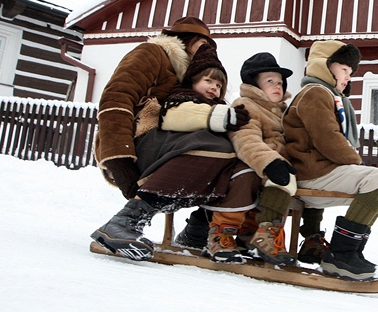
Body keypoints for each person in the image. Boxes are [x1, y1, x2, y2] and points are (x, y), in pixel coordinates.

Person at [91, 18, 260, 263]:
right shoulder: (152, 54)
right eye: (201, 44)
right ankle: (124, 222)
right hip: (139, 141)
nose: (205, 50)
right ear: (185, 40)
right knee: (214, 145)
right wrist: (120, 159)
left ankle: (197, 232)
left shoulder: (192, 76)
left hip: (173, 145)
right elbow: (116, 100)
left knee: (237, 158)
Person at [283, 40, 378, 281]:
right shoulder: (315, 93)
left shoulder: (328, 96)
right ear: (325, 66)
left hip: (318, 171)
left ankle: (350, 252)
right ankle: (341, 255)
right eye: (345, 69)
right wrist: (356, 163)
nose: (348, 77)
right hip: (312, 174)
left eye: (350, 72)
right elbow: (327, 138)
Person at [228, 52, 298, 266]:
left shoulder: (284, 112)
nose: (278, 85)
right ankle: (265, 237)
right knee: (284, 179)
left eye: (280, 82)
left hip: (282, 165)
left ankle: (312, 239)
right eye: (270, 81)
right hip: (256, 165)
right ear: (255, 85)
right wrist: (270, 162)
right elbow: (245, 138)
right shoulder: (246, 105)